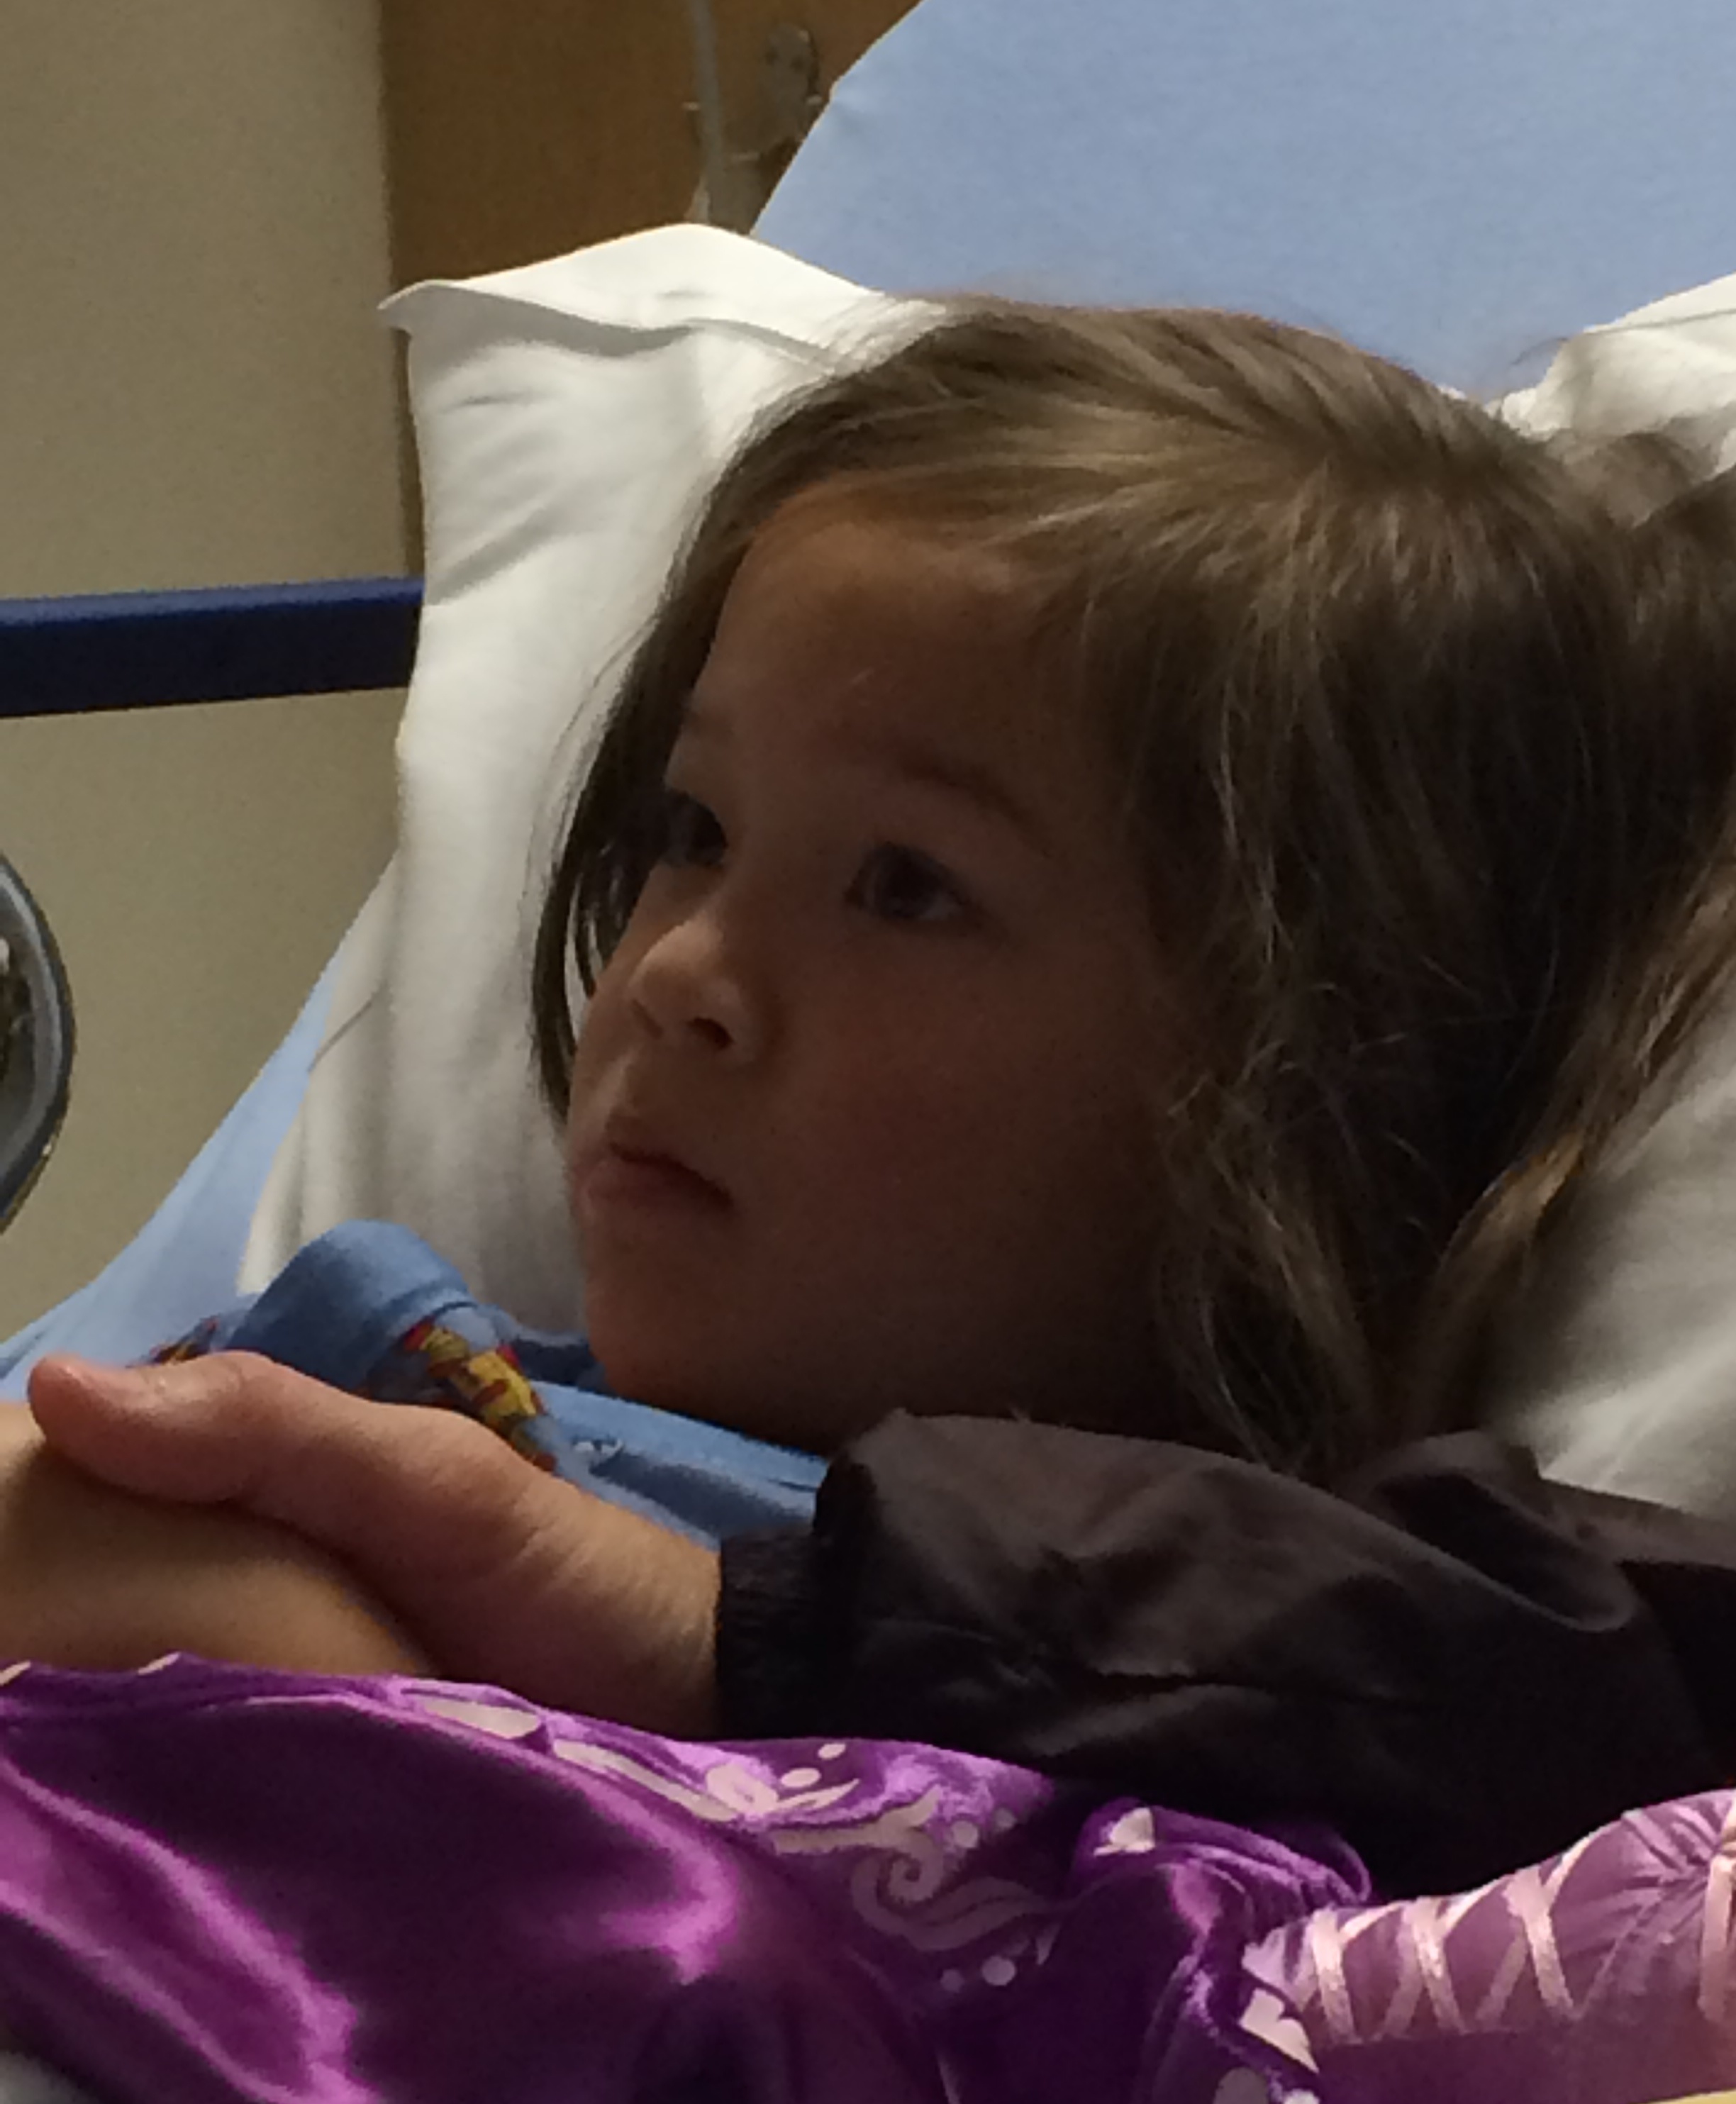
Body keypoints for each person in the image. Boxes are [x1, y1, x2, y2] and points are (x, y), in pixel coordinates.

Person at [6, 300, 1736, 1896]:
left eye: (908, 888)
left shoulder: (1185, 1730)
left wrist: (204, 1602)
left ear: (1308, 1100)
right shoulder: (416, 1375)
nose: (679, 973)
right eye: (695, 831)